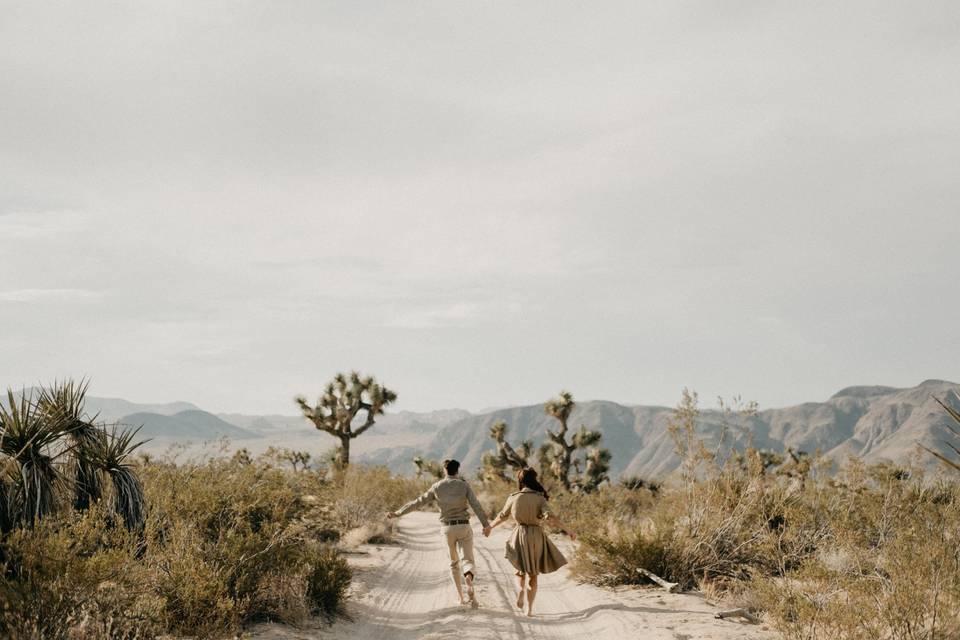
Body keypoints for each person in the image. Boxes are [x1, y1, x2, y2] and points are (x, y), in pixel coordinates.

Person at [388, 459, 491, 606]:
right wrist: (486, 525)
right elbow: (476, 505)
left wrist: (398, 513)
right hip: (463, 526)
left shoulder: (436, 487)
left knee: (453, 563)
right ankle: (469, 582)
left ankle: (461, 597)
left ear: (444, 470)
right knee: (467, 560)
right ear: (457, 470)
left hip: (447, 529)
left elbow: (418, 502)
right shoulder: (464, 485)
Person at [487, 467, 577, 617]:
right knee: (533, 575)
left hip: (519, 535)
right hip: (536, 536)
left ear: (521, 481)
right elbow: (551, 518)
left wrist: (490, 527)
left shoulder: (513, 497)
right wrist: (568, 531)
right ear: (534, 480)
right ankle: (529, 610)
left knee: (519, 572)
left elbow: (502, 516)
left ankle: (520, 590)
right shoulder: (539, 498)